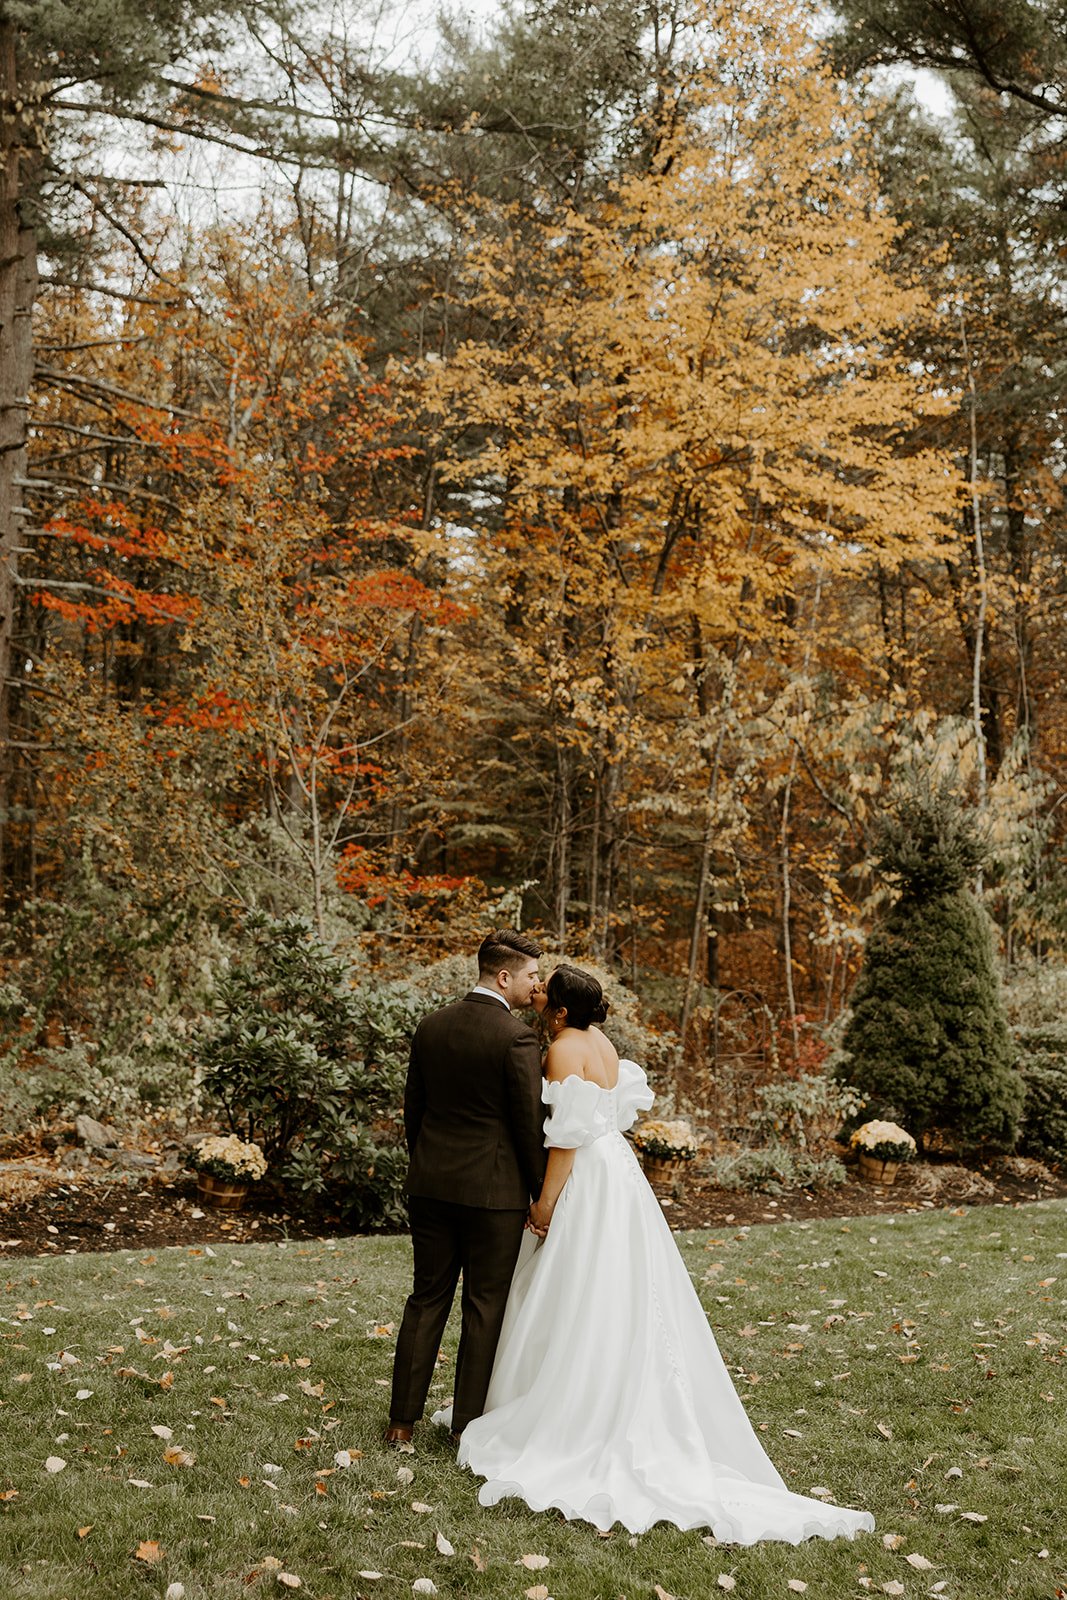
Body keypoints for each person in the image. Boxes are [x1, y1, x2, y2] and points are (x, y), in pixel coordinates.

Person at [449, 962, 875, 1544]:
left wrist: (545, 1204)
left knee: (578, 1285)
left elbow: (567, 1138)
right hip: (619, 1172)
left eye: (547, 990)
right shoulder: (600, 1042)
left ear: (563, 1010)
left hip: (585, 1174)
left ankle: (569, 1407)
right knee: (616, 1284)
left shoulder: (562, 1049)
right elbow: (612, 1115)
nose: (539, 993)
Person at [386, 928, 546, 1446]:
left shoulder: (430, 1026)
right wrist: (542, 1191)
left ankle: (401, 1424)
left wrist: (428, 1164)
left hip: (430, 1185)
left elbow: (415, 1110)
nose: (535, 985)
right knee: (483, 1306)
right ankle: (465, 1430)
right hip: (493, 1196)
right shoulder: (518, 1037)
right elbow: (527, 1125)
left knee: (426, 1298)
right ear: (504, 976)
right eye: (530, 976)